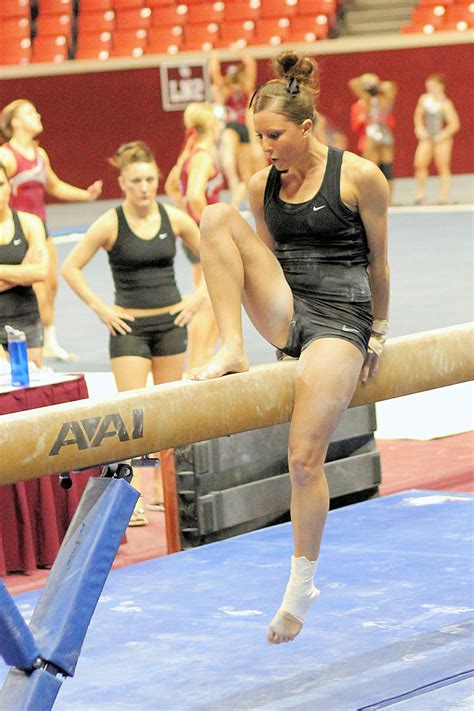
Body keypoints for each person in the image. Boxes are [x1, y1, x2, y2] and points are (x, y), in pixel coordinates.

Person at [190, 52, 390, 644]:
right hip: (293, 314)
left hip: (342, 318)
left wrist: (376, 330)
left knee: (303, 457)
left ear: (307, 127)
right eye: (257, 137)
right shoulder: (261, 186)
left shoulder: (359, 177)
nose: (264, 148)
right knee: (217, 215)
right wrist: (276, 337)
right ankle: (232, 348)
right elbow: (269, 261)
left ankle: (301, 587)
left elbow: (379, 263)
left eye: (274, 135)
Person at [61, 141, 207, 526]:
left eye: (150, 180)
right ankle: (132, 494)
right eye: (136, 181)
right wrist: (101, 308)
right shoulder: (111, 222)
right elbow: (71, 268)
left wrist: (199, 299)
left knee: (168, 415)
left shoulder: (173, 218)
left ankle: (168, 490)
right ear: (122, 182)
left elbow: (217, 256)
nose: (144, 187)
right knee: (132, 417)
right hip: (128, 328)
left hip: (171, 324)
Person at [0, 99, 103, 361]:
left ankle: (49, 341)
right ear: (15, 121)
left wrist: (85, 196)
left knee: (50, 285)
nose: (38, 114)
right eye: (30, 112)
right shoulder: (6, 156)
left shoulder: (39, 154)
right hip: (16, 234)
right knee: (26, 285)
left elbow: (54, 186)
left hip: (41, 229)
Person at [165, 101, 223, 369]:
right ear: (211, 124)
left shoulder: (189, 153)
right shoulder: (202, 156)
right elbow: (193, 195)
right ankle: (200, 360)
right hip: (203, 232)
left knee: (208, 295)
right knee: (209, 300)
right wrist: (209, 226)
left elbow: (172, 187)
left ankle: (204, 357)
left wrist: (187, 217)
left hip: (194, 230)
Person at [0, 162, 49, 366]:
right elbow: (29, 272)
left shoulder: (30, 224)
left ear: (10, 186)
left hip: (25, 321)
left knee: (28, 392)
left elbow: (40, 271)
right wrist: (21, 271)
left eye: (0, 184)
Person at [209, 50, 266, 209]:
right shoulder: (225, 90)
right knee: (227, 144)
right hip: (232, 126)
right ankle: (234, 183)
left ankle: (253, 197)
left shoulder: (247, 89)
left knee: (249, 169)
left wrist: (237, 51)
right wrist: (215, 57)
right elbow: (214, 74)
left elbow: (250, 65)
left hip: (246, 127)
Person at [349, 73, 397, 200]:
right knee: (377, 167)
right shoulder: (380, 98)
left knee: (381, 168)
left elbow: (354, 84)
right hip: (379, 133)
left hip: (376, 133)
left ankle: (385, 199)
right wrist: (369, 80)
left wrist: (371, 82)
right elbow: (353, 83)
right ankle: (376, 197)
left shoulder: (374, 99)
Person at [413, 74, 460, 205]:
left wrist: (442, 135)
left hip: (441, 139)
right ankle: (420, 193)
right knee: (420, 163)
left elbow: (454, 124)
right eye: (428, 86)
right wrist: (419, 129)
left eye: (433, 86)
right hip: (427, 137)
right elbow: (418, 116)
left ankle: (443, 196)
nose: (430, 88)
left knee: (443, 166)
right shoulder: (424, 99)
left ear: (440, 87)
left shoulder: (445, 103)